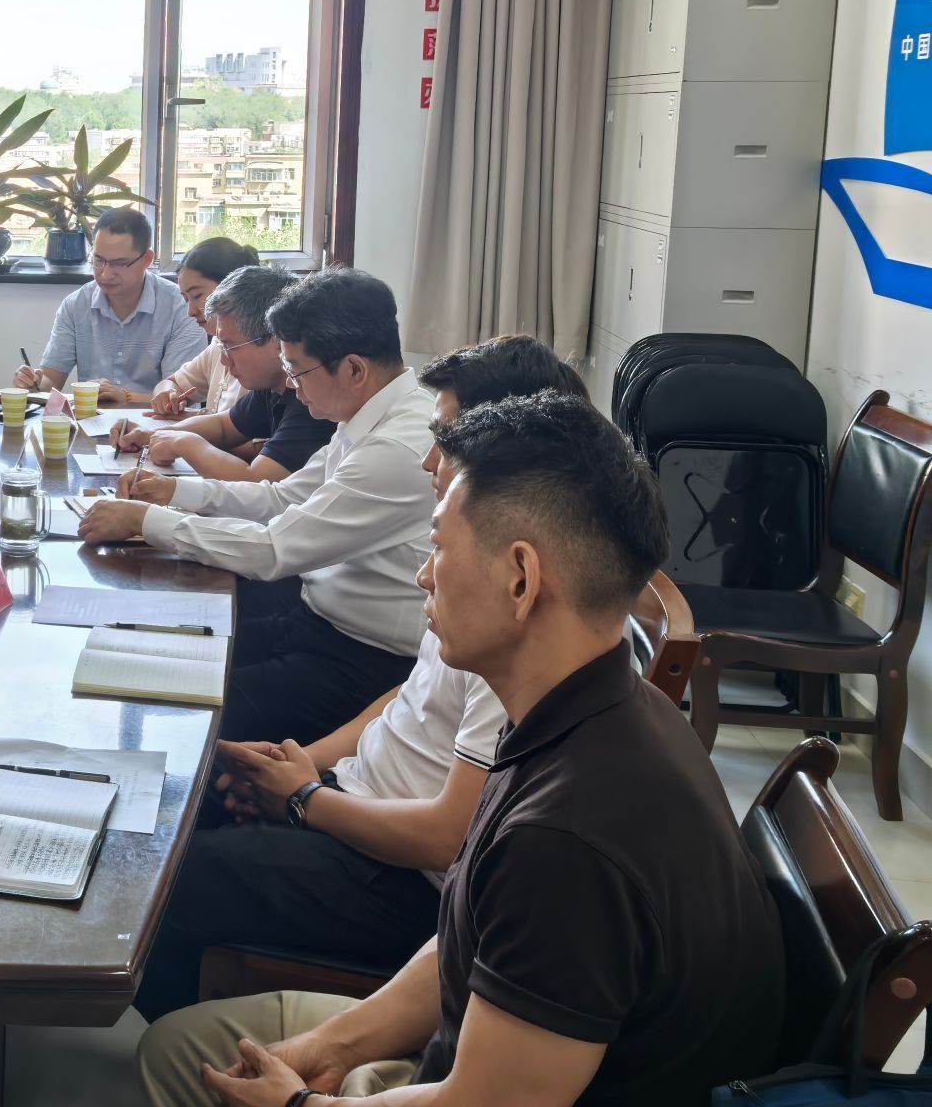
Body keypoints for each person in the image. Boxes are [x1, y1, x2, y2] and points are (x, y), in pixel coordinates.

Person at [137, 391, 785, 1107]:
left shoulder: (566, 842)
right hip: (471, 1044)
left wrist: (300, 1104)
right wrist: (330, 1048)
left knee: (175, 1064)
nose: (424, 574)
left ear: (521, 579)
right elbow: (468, 942)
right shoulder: (595, 710)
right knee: (181, 1049)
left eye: (439, 547)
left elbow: (485, 1101)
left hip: (481, 1086)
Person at [131, 336, 585, 1023]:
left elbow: (446, 839)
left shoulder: (524, 613)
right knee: (184, 802)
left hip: (404, 878)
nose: (428, 458)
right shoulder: (474, 557)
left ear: (506, 447)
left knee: (170, 880)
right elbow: (409, 697)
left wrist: (303, 801)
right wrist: (301, 764)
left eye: (445, 439)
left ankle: (209, 1041)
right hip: (354, 799)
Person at [79, 268, 432, 746]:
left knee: (185, 719)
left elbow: (273, 550)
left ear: (353, 369)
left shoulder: (396, 447)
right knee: (152, 653)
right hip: (313, 622)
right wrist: (173, 493)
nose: (293, 387)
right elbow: (279, 498)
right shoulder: (367, 417)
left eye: (298, 371)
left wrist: (150, 521)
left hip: (362, 659)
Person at [110, 266, 331, 484]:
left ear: (276, 340)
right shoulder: (271, 385)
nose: (224, 360)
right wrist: (152, 436)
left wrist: (184, 444)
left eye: (229, 346)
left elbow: (256, 481)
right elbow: (224, 427)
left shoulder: (312, 398)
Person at [15, 208, 208, 403]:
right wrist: (34, 383)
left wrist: (126, 397)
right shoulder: (76, 305)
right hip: (91, 418)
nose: (105, 274)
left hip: (158, 420)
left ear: (147, 260)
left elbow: (182, 395)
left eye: (120, 263)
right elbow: (51, 379)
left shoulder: (181, 307)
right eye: (98, 260)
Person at [153, 238, 259, 417]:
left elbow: (242, 432)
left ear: (234, 288)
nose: (191, 312)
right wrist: (167, 392)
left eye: (197, 295)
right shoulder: (217, 345)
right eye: (186, 299)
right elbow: (173, 383)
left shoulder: (262, 352)